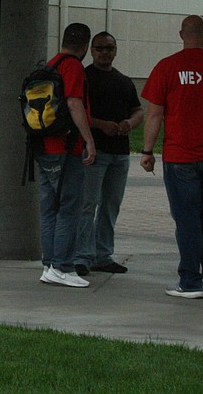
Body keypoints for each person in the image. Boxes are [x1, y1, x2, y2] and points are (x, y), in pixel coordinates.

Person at [140, 15, 203, 299]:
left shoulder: (167, 67)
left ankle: (189, 281)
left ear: (182, 34)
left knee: (187, 219)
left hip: (180, 155)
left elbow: (155, 113)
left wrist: (147, 151)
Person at [73, 31, 144, 277]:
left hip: (120, 154)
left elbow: (139, 111)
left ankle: (103, 255)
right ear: (91, 51)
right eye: (100, 48)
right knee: (87, 204)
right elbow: (75, 112)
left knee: (110, 205)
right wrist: (101, 124)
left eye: (110, 48)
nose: (105, 52)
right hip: (94, 152)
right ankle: (81, 256)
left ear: (116, 51)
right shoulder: (84, 78)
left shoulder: (124, 81)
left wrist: (130, 123)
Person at [38, 22, 98, 288]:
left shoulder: (49, 65)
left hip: (43, 147)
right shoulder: (72, 66)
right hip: (65, 148)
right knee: (69, 208)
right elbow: (74, 103)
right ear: (85, 46)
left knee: (50, 208)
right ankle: (62, 267)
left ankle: (50, 264)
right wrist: (89, 139)